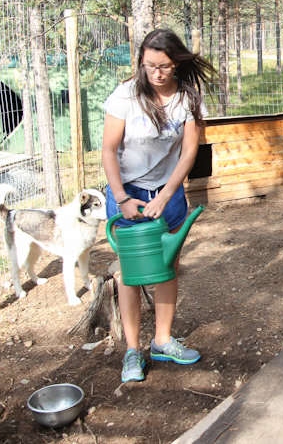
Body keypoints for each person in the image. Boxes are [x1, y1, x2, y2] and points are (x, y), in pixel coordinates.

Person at [102, 29, 213, 383]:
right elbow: (108, 150)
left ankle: (162, 340)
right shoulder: (125, 95)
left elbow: (189, 151)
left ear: (176, 63)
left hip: (168, 194)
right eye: (149, 65)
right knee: (130, 275)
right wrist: (122, 198)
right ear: (141, 62)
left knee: (169, 268)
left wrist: (167, 194)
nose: (156, 73)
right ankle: (132, 352)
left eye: (164, 66)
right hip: (128, 192)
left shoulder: (188, 99)